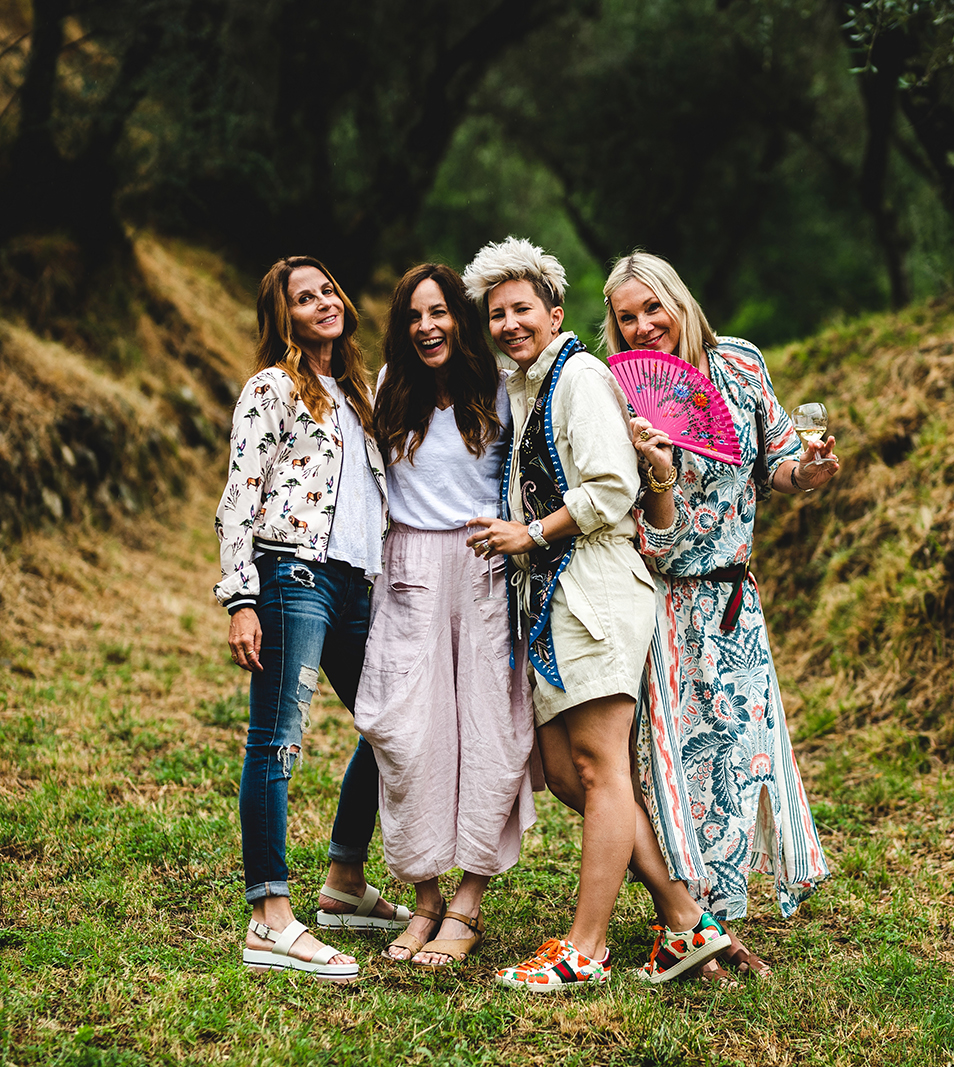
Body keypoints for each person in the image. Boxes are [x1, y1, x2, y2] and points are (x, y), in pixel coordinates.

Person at [462, 237, 733, 991]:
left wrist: (532, 533)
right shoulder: (525, 385)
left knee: (598, 765)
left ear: (554, 313)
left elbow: (614, 488)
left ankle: (585, 947)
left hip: (595, 587)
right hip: (552, 597)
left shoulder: (579, 377)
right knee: (564, 771)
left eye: (521, 309)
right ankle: (685, 920)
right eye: (496, 314)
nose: (509, 323)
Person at [604, 251, 837, 979]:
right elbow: (654, 536)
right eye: (626, 317)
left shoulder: (738, 366)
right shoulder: (622, 397)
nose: (644, 326)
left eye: (653, 307)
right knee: (669, 767)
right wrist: (662, 475)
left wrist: (813, 470)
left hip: (736, 603)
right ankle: (689, 924)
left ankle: (717, 921)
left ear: (680, 300)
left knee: (735, 761)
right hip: (665, 604)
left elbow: (779, 462)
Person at [213, 255, 410, 981]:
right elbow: (241, 493)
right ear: (284, 317)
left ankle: (344, 881)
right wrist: (240, 597)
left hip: (357, 586)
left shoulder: (358, 393)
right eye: (304, 298)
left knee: (390, 724)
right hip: (292, 576)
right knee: (276, 744)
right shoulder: (272, 387)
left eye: (327, 289)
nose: (323, 302)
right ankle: (269, 917)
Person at [354, 263, 537, 968]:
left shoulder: (497, 387)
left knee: (491, 728)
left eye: (440, 312)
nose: (427, 326)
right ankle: (424, 895)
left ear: (459, 319)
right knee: (406, 730)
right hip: (407, 570)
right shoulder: (385, 388)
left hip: (483, 564)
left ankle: (467, 902)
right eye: (413, 316)